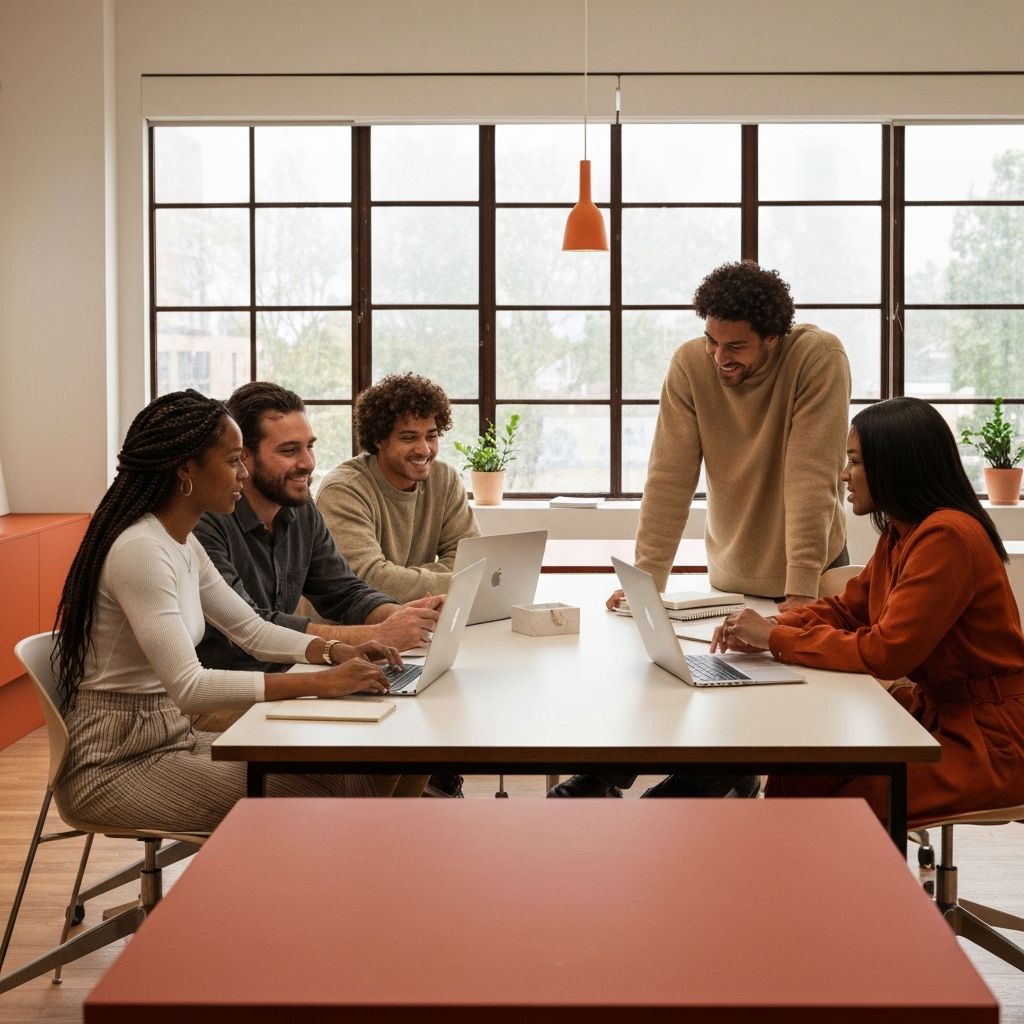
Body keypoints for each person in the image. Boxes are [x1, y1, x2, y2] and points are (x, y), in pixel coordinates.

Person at [53, 390, 418, 836]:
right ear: (187, 468)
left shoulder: (181, 542)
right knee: (337, 798)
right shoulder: (143, 551)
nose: (243, 474)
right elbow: (190, 687)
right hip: (117, 762)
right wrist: (319, 682)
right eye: (232, 462)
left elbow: (251, 629)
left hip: (173, 736)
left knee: (352, 773)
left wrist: (333, 650)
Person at [552, 260, 852, 799]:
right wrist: (647, 580)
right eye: (711, 340)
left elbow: (812, 478)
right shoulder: (692, 364)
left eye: (735, 347)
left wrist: (799, 599)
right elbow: (669, 477)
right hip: (732, 570)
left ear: (773, 338)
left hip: (807, 574)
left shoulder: (817, 357)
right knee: (686, 681)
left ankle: (707, 794)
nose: (719, 357)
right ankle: (611, 775)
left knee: (779, 705)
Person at [711, 397, 1024, 827]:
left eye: (854, 462)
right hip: (935, 716)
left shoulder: (947, 537)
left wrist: (775, 640)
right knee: (798, 778)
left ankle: (852, 893)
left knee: (842, 812)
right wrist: (773, 625)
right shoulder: (902, 532)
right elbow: (847, 610)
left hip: (989, 741)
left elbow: (887, 653)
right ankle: (794, 890)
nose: (844, 475)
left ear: (895, 465)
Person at [193, 381, 443, 678]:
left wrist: (403, 617)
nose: (308, 463)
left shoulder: (299, 506)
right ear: (244, 455)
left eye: (309, 446)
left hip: (287, 674)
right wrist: (380, 634)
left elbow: (344, 593)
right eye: (289, 451)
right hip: (225, 688)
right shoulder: (205, 521)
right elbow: (251, 626)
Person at [316, 372, 480, 603]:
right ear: (379, 440)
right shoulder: (343, 490)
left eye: (431, 436)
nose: (424, 449)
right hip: (348, 633)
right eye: (409, 438)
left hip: (416, 622)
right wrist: (464, 581)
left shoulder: (445, 479)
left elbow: (472, 560)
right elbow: (369, 580)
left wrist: (401, 580)